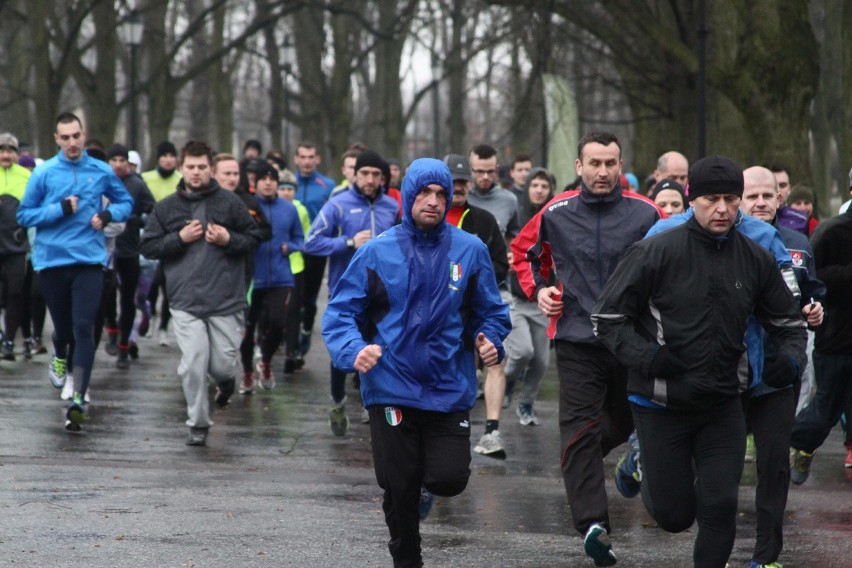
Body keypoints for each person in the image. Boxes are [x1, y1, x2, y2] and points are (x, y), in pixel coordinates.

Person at [590, 155, 807, 568]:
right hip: (660, 403)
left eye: (730, 199)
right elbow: (606, 319)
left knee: (721, 505)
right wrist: (649, 357)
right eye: (711, 199)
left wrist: (790, 360)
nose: (722, 209)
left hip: (723, 403)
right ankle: (647, 469)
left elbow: (790, 325)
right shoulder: (654, 252)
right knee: (675, 516)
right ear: (693, 200)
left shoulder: (755, 258)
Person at [322, 157, 511, 568]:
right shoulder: (377, 251)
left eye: (441, 194)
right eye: (424, 193)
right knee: (398, 484)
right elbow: (339, 315)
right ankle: (407, 558)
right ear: (408, 195)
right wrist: (355, 350)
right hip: (391, 385)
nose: (433, 201)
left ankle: (425, 489)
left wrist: (490, 340)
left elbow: (492, 313)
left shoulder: (470, 250)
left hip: (448, 386)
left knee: (449, 478)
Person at [512, 131, 663, 566]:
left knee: (623, 420)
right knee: (578, 428)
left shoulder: (645, 213)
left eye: (610, 163)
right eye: (594, 163)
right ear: (578, 166)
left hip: (631, 338)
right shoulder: (555, 212)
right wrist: (540, 291)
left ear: (621, 165)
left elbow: (671, 263)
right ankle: (594, 525)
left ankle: (579, 462)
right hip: (577, 336)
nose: (602, 171)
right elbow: (523, 254)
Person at [140, 140, 263, 446]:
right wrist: (179, 238)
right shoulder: (167, 207)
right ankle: (198, 422)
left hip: (226, 299)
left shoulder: (230, 203)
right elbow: (149, 246)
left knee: (221, 364)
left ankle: (226, 381)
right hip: (185, 300)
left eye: (202, 167)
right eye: (190, 167)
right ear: (182, 168)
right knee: (194, 362)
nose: (196, 173)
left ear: (211, 169)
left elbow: (254, 237)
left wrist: (227, 238)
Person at [17, 112, 133, 432]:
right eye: (65, 137)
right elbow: (25, 215)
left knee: (84, 327)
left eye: (76, 136)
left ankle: (78, 397)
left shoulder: (101, 170)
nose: (71, 142)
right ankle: (58, 351)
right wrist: (60, 209)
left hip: (89, 261)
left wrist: (108, 214)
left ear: (84, 135)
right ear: (56, 139)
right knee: (65, 330)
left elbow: (126, 202)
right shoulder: (44, 173)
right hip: (52, 262)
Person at [736, 165, 825, 568]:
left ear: (779, 199)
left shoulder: (797, 244)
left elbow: (811, 291)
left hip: (778, 371)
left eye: (766, 196)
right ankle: (716, 547)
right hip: (727, 373)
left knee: (773, 465)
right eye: (751, 195)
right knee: (717, 468)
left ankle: (766, 556)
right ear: (738, 199)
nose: (759, 203)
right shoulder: (723, 240)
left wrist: (814, 309)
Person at [304, 150, 399, 435]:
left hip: (382, 295)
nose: (370, 180)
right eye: (364, 174)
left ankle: (369, 403)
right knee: (343, 350)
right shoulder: (338, 204)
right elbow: (311, 243)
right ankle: (338, 401)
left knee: (377, 348)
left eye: (376, 175)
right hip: (345, 291)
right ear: (354, 175)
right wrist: (347, 242)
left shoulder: (391, 208)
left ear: (384, 179)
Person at [789, 197, 852, 483]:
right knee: (826, 410)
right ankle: (791, 443)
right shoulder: (831, 231)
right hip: (837, 338)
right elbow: (811, 280)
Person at [467, 143, 519, 459]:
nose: (486, 177)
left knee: (497, 357)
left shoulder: (509, 200)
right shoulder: (449, 200)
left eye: (491, 171)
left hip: (492, 290)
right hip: (453, 294)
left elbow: (514, 235)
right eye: (479, 171)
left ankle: (491, 432)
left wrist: (507, 254)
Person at [238, 162, 302, 392]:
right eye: (263, 178)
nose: (268, 182)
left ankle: (264, 359)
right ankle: (247, 372)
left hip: (281, 275)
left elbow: (300, 238)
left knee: (278, 323)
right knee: (247, 326)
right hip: (252, 277)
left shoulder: (289, 208)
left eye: (272, 179)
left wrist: (291, 246)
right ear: (255, 182)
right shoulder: (248, 206)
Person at [505, 167, 555, 426]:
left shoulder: (557, 219)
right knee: (523, 351)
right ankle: (506, 381)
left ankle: (526, 404)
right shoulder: (516, 215)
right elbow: (505, 245)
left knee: (541, 361)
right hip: (515, 298)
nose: (538, 190)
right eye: (534, 185)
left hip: (543, 303)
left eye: (544, 187)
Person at [293, 142, 335, 365]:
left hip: (316, 250)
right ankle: (291, 341)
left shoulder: (327, 185)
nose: (306, 161)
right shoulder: (288, 183)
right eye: (303, 156)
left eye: (311, 157)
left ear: (317, 159)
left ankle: (305, 336)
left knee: (309, 298)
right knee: (292, 297)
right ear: (296, 159)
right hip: (291, 250)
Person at [142, 140, 182, 346]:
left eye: (171, 155)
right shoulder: (146, 178)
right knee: (149, 286)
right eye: (164, 155)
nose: (168, 160)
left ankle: (164, 326)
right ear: (158, 158)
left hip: (174, 240)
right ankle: (149, 315)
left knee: (168, 284)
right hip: (150, 236)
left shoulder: (182, 179)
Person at [0, 132, 31, 359]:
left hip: (16, 245)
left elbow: (37, 205)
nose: (5, 155)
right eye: (1, 150)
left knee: (16, 292)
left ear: (17, 154)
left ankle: (10, 340)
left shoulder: (27, 176)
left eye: (10, 150)